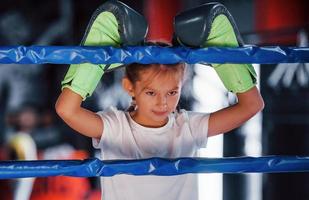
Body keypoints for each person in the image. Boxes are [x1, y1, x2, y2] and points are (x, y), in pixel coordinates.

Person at [55, 1, 264, 200]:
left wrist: (223, 59)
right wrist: (97, 60)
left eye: (172, 93)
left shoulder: (188, 127)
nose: (163, 103)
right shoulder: (116, 127)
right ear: (130, 87)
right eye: (151, 93)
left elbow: (252, 104)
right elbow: (66, 109)